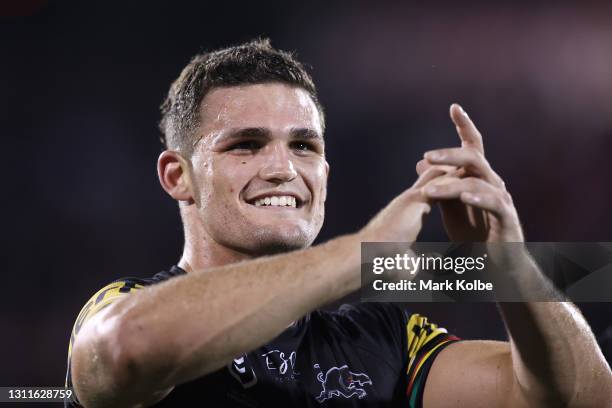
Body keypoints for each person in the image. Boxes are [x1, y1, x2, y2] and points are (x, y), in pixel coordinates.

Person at [65, 38, 612, 407]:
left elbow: (579, 396)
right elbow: (126, 351)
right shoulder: (126, 306)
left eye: (303, 145)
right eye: (246, 145)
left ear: (325, 172)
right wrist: (362, 254)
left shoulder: (387, 341)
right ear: (177, 175)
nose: (282, 169)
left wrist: (507, 264)